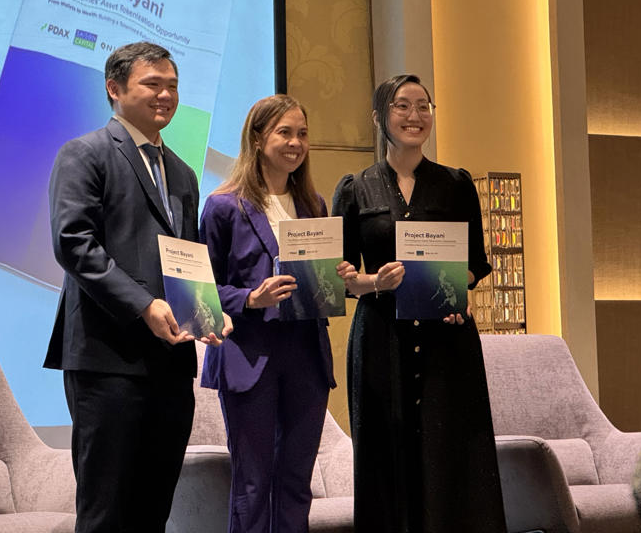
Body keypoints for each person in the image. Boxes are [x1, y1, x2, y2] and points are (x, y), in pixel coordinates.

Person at [45, 41, 231, 533]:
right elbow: (74, 244)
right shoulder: (85, 153)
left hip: (170, 362)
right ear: (114, 88)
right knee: (106, 512)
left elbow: (185, 255)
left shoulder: (183, 172)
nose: (166, 95)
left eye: (172, 86)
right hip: (107, 360)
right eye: (153, 84)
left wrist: (207, 309)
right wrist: (143, 305)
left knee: (154, 511)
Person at [332, 74, 507, 532]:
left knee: (451, 456)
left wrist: (454, 286)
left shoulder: (456, 184)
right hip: (380, 339)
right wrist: (375, 281)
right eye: (402, 106)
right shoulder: (354, 188)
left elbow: (476, 264)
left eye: (423, 106)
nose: (415, 116)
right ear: (379, 117)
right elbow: (342, 280)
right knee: (383, 456)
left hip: (445, 339)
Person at [199, 94, 340, 532]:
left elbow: (320, 283)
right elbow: (201, 290)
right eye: (285, 133)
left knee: (297, 483)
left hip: (306, 355)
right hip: (249, 355)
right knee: (253, 484)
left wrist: (336, 277)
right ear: (258, 138)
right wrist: (249, 299)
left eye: (302, 134)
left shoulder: (314, 205)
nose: (296, 143)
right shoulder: (224, 205)